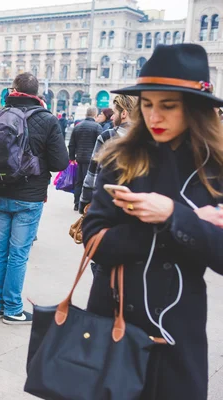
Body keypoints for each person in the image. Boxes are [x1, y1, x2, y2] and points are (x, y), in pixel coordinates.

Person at [82, 43, 223, 400]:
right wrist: (173, 220)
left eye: (168, 106)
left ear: (195, 108)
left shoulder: (216, 169)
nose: (154, 116)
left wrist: (176, 216)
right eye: (147, 104)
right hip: (112, 321)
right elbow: (94, 240)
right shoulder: (120, 157)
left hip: (179, 331)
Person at [0, 73, 69, 325]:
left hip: (0, 192)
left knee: (0, 250)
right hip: (30, 196)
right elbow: (59, 163)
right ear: (36, 93)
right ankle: (13, 308)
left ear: (14, 90)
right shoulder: (47, 119)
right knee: (19, 254)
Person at [79, 94, 137, 212]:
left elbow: (92, 174)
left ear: (124, 113)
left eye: (114, 113)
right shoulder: (147, 138)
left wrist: (84, 202)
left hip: (107, 204)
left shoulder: (108, 136)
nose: (112, 117)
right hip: (135, 205)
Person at [69, 106, 102, 211]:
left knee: (79, 181)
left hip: (80, 159)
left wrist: (72, 157)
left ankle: (76, 203)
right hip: (92, 160)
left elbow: (71, 144)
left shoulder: (77, 127)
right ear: (95, 115)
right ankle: (86, 204)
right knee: (89, 182)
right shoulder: (97, 127)